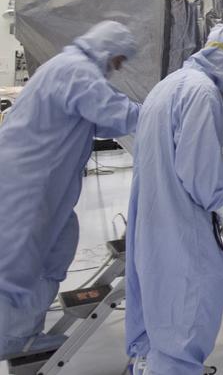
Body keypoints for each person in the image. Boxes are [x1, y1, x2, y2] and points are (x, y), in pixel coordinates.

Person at [125, 24, 223, 375]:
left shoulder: (167, 85)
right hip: (182, 221)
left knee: (158, 299)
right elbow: (198, 172)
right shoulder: (202, 92)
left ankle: (152, 366)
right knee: (189, 300)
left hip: (153, 216)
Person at [0, 21, 140, 358]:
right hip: (29, 184)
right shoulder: (78, 73)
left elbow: (98, 121)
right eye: (119, 59)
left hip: (39, 183)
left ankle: (23, 331)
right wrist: (165, 110)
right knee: (23, 261)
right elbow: (120, 115)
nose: (118, 67)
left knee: (56, 249)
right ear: (108, 49)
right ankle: (11, 339)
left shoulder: (65, 66)